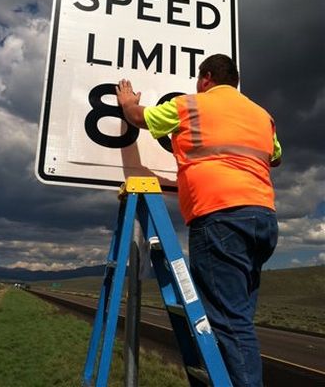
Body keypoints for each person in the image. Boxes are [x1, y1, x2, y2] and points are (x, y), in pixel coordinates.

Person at [116, 53, 281, 387]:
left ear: (206, 78)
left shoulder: (190, 105)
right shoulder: (262, 115)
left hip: (220, 217)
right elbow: (276, 156)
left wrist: (127, 102)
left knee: (230, 322)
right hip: (263, 219)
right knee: (238, 318)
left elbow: (140, 118)